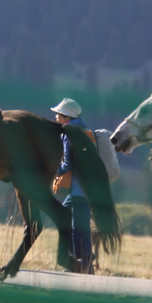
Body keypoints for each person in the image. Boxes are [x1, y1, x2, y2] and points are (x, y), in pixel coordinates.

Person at [51, 97, 94, 274]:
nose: (55, 118)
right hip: (86, 188)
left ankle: (82, 267)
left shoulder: (70, 133)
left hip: (80, 191)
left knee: (79, 229)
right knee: (64, 218)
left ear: (66, 118)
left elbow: (68, 164)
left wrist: (52, 171)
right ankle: (78, 264)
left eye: (58, 115)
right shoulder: (83, 130)